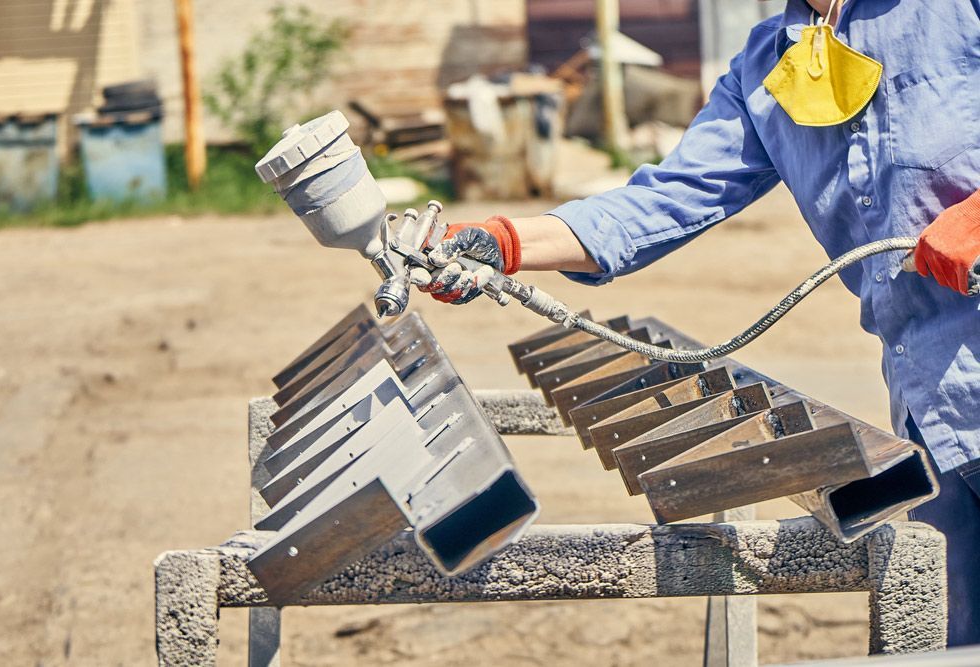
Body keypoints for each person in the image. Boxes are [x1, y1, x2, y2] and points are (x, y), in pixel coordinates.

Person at [415, 0, 980, 647]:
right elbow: (666, 197)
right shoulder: (769, 65)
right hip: (930, 412)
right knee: (949, 644)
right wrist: (505, 240)